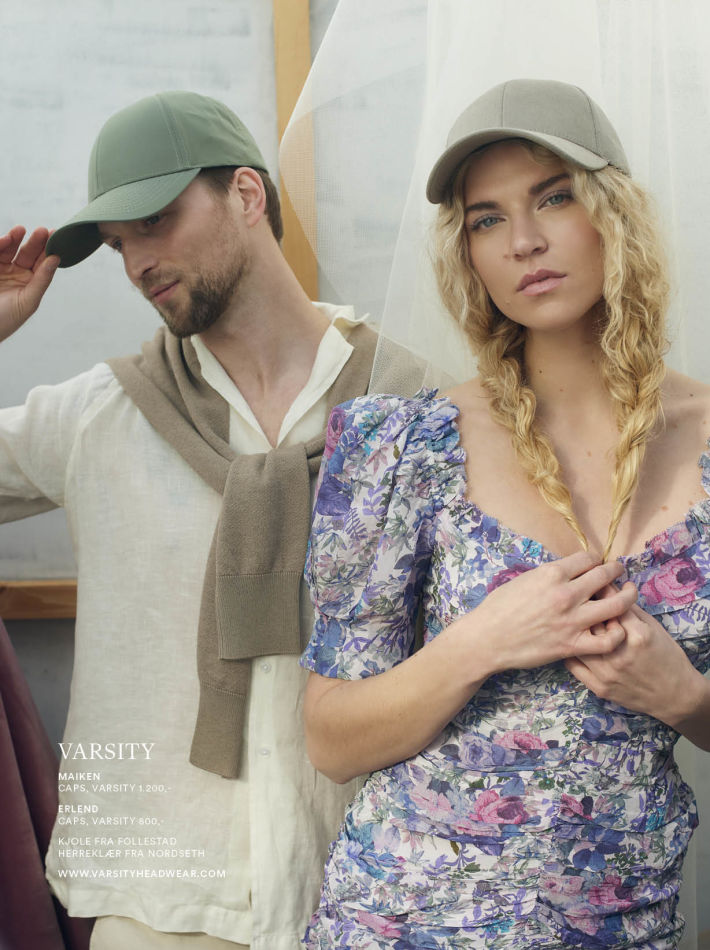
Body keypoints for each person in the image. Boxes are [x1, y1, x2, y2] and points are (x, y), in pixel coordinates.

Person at [300, 78, 710, 948]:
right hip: (406, 919)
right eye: (487, 219)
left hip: (621, 922)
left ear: (613, 212)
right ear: (469, 254)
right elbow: (331, 740)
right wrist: (482, 642)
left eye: (554, 198)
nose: (524, 241)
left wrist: (685, 697)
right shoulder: (404, 446)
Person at [0, 91, 379, 949]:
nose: (138, 262)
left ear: (246, 195)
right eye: (118, 244)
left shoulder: (404, 400)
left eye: (156, 221)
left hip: (367, 895)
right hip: (161, 909)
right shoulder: (102, 416)